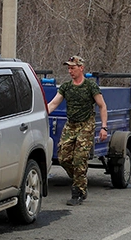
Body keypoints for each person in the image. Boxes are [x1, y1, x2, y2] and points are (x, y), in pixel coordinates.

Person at [46, 56, 109, 205]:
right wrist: (40, 115)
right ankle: (79, 179)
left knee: (80, 158)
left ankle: (78, 192)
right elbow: (53, 104)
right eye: (68, 68)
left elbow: (102, 106)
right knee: (63, 158)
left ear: (81, 68)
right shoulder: (66, 87)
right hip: (71, 125)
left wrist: (104, 127)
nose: (70, 71)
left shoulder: (90, 87)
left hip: (86, 124)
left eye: (73, 68)